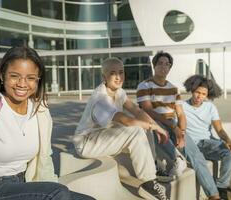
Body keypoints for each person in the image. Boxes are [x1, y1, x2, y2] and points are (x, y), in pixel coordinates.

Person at [0, 46, 95, 200]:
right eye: (14, 76)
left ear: (38, 80)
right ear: (3, 76)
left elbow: (45, 158)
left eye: (30, 78)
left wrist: (51, 184)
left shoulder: (40, 111)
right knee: (59, 194)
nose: (22, 84)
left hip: (23, 182)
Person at [73, 57, 170, 200]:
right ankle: (148, 183)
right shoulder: (100, 99)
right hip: (87, 143)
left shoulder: (119, 92)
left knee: (143, 127)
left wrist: (154, 126)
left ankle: (153, 166)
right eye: (113, 73)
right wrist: (154, 126)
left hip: (105, 136)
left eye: (121, 72)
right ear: (104, 77)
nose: (118, 77)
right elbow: (126, 120)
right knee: (137, 129)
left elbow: (137, 111)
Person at [182, 74, 231, 200]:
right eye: (197, 92)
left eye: (203, 94)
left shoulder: (210, 107)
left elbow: (220, 129)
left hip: (211, 142)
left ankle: (221, 187)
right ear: (192, 90)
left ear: (208, 95)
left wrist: (229, 141)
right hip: (197, 145)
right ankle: (221, 188)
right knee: (230, 152)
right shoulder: (182, 106)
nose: (199, 96)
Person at [136, 51, 187, 177]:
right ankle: (177, 159)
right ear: (154, 66)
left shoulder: (174, 88)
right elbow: (148, 110)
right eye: (160, 63)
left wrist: (182, 132)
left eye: (167, 64)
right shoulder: (144, 85)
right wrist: (174, 127)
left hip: (172, 122)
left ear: (170, 68)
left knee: (192, 150)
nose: (163, 67)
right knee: (156, 127)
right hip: (155, 121)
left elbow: (180, 113)